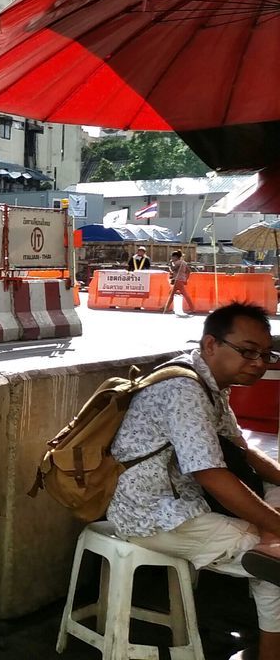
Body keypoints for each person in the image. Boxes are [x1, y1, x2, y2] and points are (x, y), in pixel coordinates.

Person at [108, 303, 280, 656]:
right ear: (210, 345)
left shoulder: (210, 384)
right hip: (152, 513)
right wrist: (275, 525)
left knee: (274, 506)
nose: (259, 363)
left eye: (266, 354)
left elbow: (242, 450)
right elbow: (210, 474)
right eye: (248, 352)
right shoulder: (184, 390)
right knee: (271, 561)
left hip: (183, 501)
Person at [165, 249, 194, 315]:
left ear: (176, 257)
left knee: (183, 294)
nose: (172, 258)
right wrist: (186, 279)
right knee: (172, 294)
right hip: (181, 279)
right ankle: (166, 307)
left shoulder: (177, 262)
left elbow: (173, 269)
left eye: (172, 257)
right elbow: (189, 271)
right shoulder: (184, 262)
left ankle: (192, 308)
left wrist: (170, 263)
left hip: (177, 279)